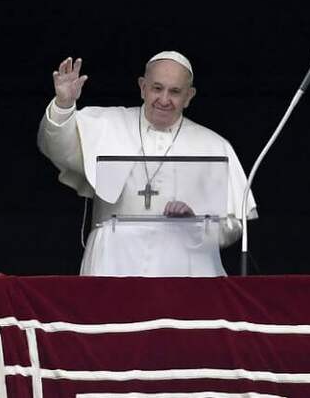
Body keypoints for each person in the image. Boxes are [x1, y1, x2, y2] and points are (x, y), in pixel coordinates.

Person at [38, 51, 257, 277]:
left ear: (189, 96)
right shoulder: (107, 123)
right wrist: (64, 105)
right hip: (113, 263)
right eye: (157, 88)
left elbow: (232, 225)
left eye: (175, 92)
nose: (164, 99)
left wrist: (196, 221)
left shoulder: (213, 145)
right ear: (142, 87)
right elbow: (57, 148)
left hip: (186, 269)